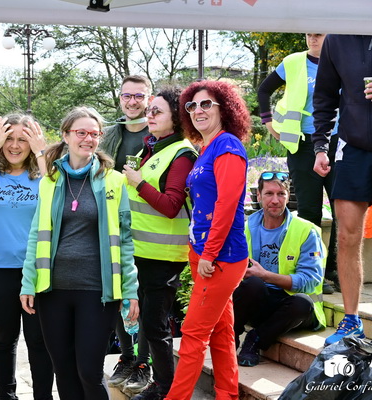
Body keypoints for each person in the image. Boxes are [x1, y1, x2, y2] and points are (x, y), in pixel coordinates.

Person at [20, 106, 139, 400]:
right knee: (64, 370)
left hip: (97, 291)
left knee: (89, 371)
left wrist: (130, 290)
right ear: (66, 135)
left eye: (94, 134)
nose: (88, 139)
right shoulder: (50, 181)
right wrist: (27, 282)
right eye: (81, 132)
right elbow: (36, 234)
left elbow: (125, 240)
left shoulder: (114, 181)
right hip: (53, 290)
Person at [166, 80, 250, 400]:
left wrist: (209, 254)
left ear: (224, 108)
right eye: (192, 106)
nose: (198, 110)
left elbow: (226, 205)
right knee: (221, 331)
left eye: (206, 104)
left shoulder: (227, 146)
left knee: (192, 334)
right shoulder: (207, 146)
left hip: (219, 258)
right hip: (204, 253)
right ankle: (227, 394)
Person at [0, 113, 54, 400]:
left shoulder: (42, 173)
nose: (15, 146)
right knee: (3, 341)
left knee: (40, 342)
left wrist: (41, 151)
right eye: (9, 139)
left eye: (22, 139)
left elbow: (57, 196)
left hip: (38, 271)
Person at [122, 87, 197, 400]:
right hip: (140, 252)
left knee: (155, 324)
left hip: (163, 256)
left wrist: (138, 183)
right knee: (146, 322)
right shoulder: (151, 148)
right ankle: (158, 381)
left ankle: (166, 388)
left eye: (157, 111)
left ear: (176, 118)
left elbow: (170, 206)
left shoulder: (182, 153)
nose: (149, 115)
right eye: (149, 110)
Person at [312, 34, 372, 346]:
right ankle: (351, 321)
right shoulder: (337, 37)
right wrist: (320, 146)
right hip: (354, 147)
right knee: (347, 235)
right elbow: (325, 96)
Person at [258, 33, 338, 295]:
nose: (312, 39)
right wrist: (268, 122)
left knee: (342, 210)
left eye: (318, 34)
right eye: (308, 34)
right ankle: (313, 272)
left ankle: (334, 269)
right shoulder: (293, 62)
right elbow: (264, 90)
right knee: (309, 211)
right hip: (303, 145)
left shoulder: (342, 60)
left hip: (339, 143)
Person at [233, 171, 326, 367]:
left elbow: (310, 281)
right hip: (260, 301)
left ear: (288, 196)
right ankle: (229, 337)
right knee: (253, 284)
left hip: (290, 307)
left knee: (302, 303)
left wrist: (266, 276)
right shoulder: (246, 228)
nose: (275, 200)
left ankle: (255, 340)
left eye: (281, 194)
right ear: (258, 196)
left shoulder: (306, 231)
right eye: (269, 194)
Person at [101, 75, 153, 394]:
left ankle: (144, 363)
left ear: (149, 98)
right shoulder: (111, 134)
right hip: (114, 227)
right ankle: (127, 357)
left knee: (143, 296)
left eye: (139, 96)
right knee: (118, 293)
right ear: (120, 98)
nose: (132, 102)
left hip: (147, 228)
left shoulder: (156, 134)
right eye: (127, 96)